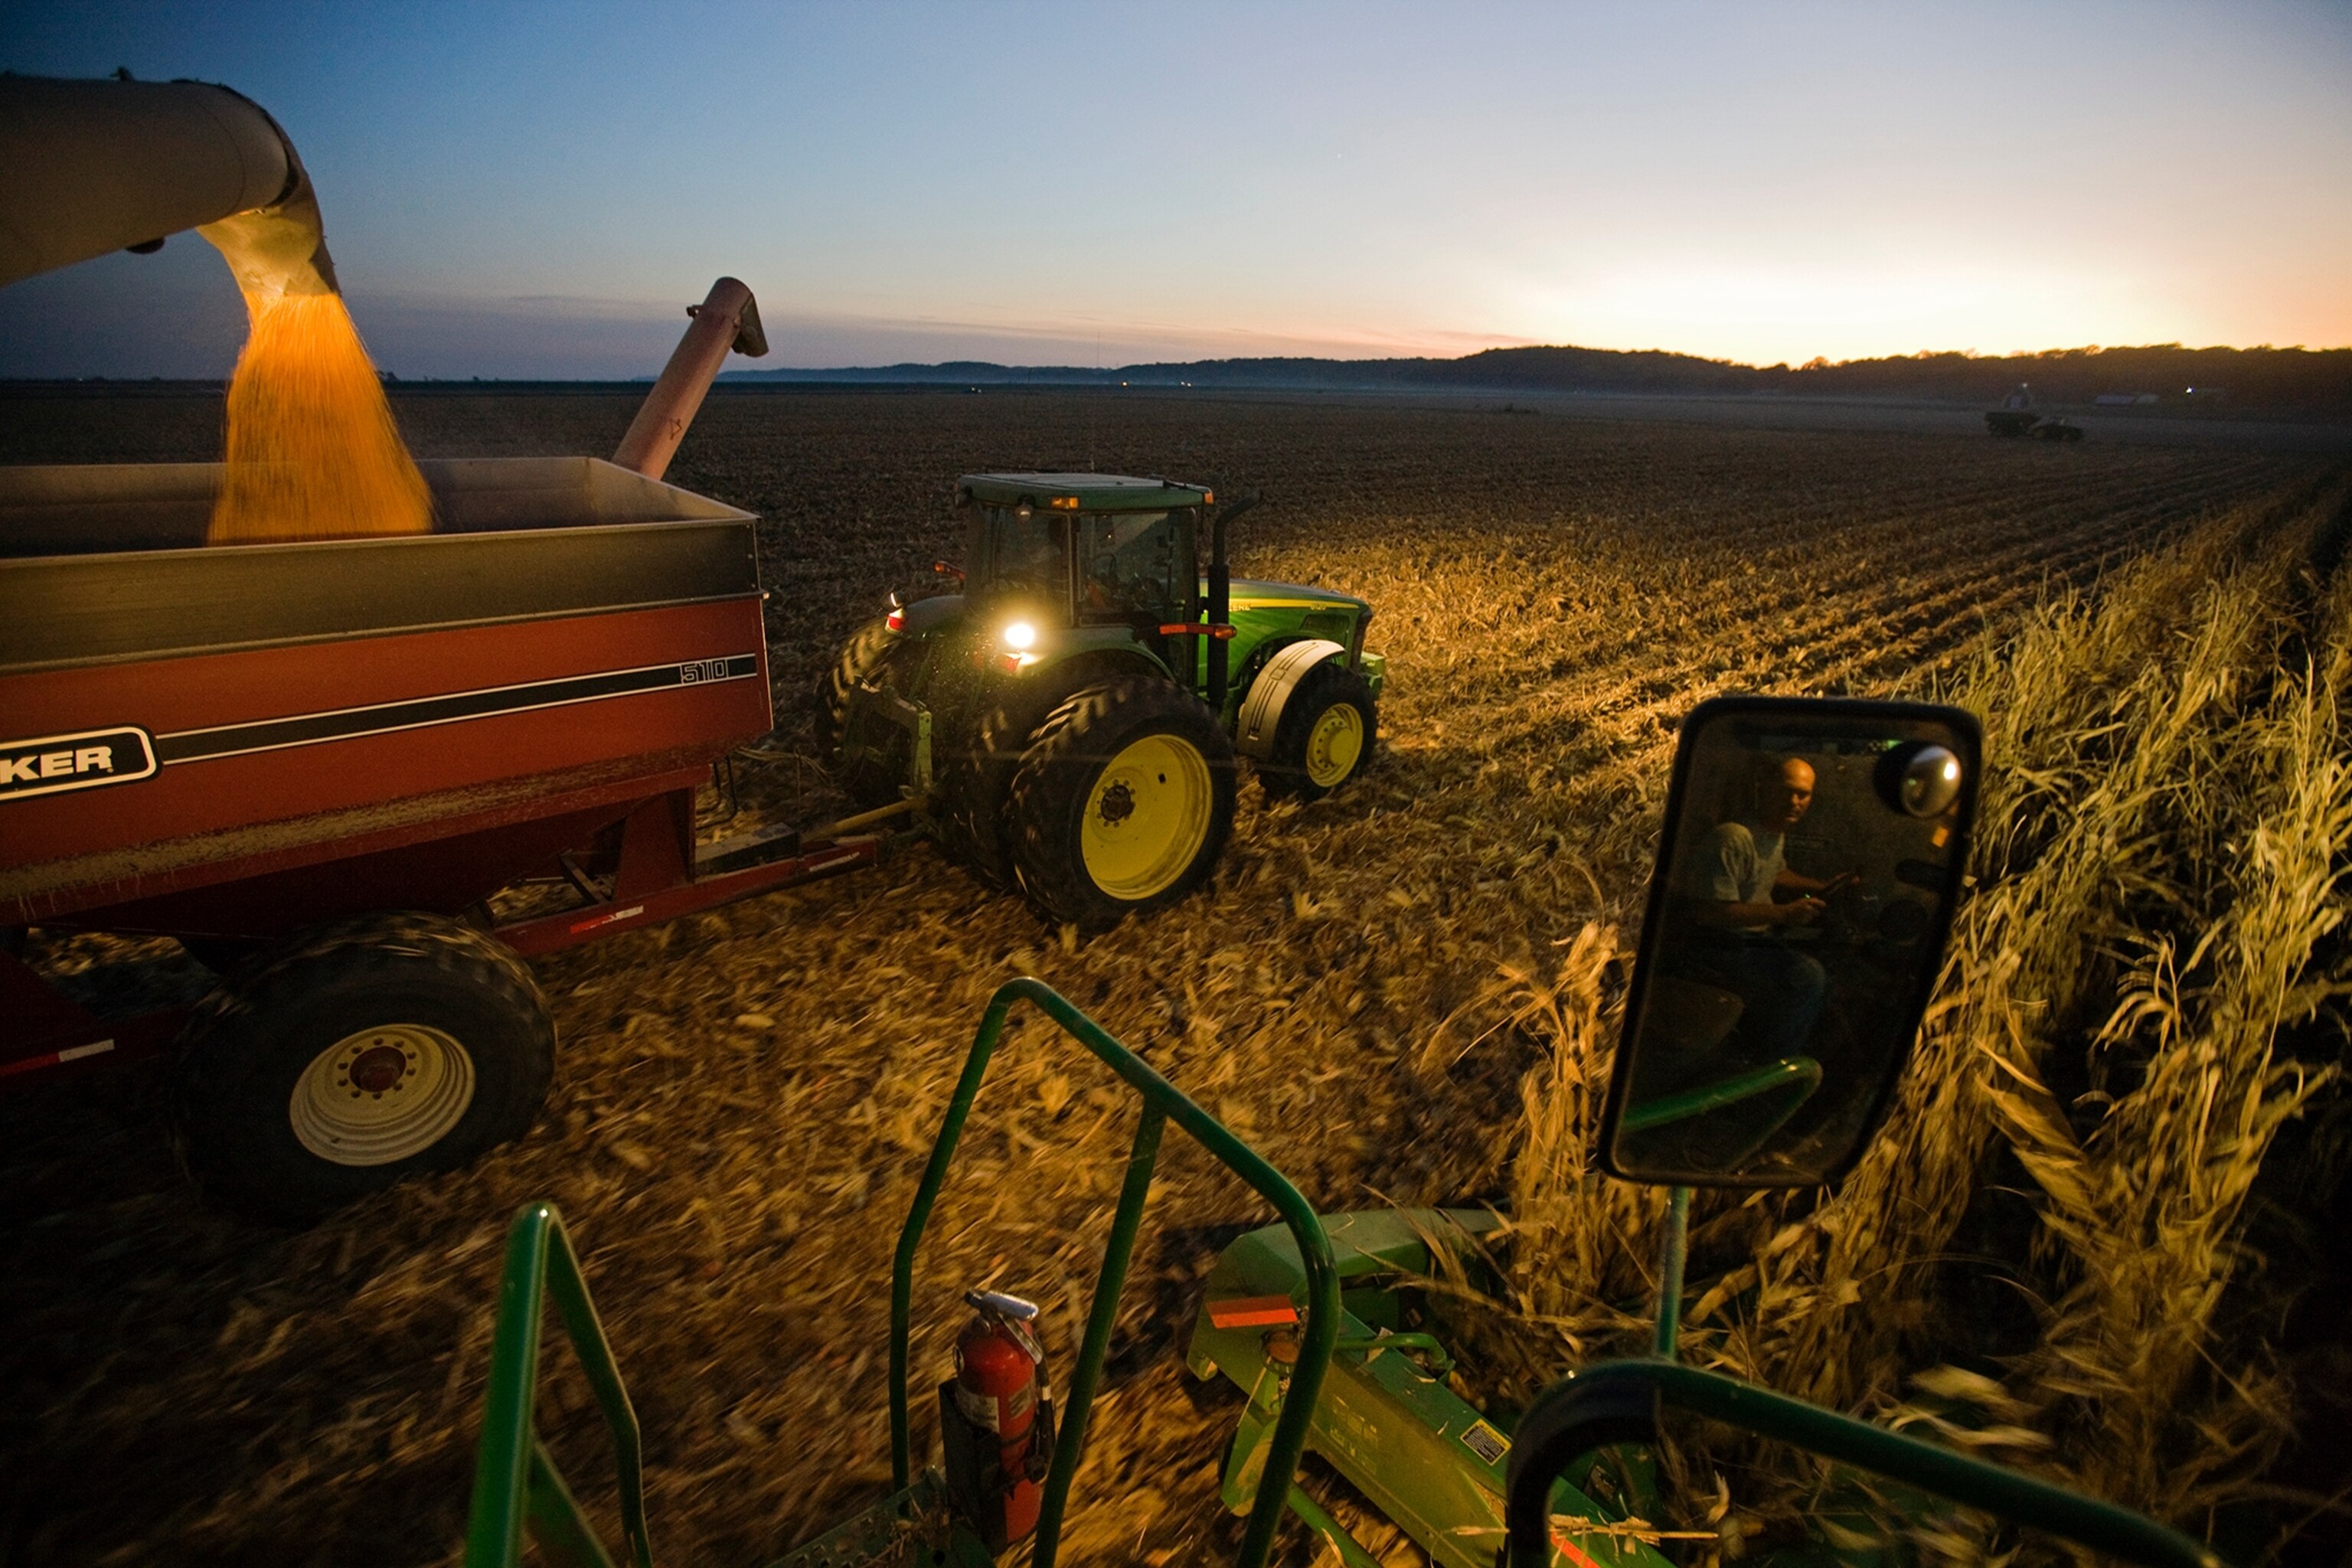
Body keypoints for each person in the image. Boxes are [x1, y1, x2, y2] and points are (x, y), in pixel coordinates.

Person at [1674, 753, 1853, 1058]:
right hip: (1717, 945)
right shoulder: (1732, 838)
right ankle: (1765, 1065)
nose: (1795, 801)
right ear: (1765, 788)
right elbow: (1710, 913)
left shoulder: (1772, 835)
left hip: (1753, 939)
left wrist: (1820, 887)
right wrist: (1785, 913)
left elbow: (1776, 873)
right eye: (1787, 791)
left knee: (1832, 965)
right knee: (1808, 977)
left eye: (1803, 794)